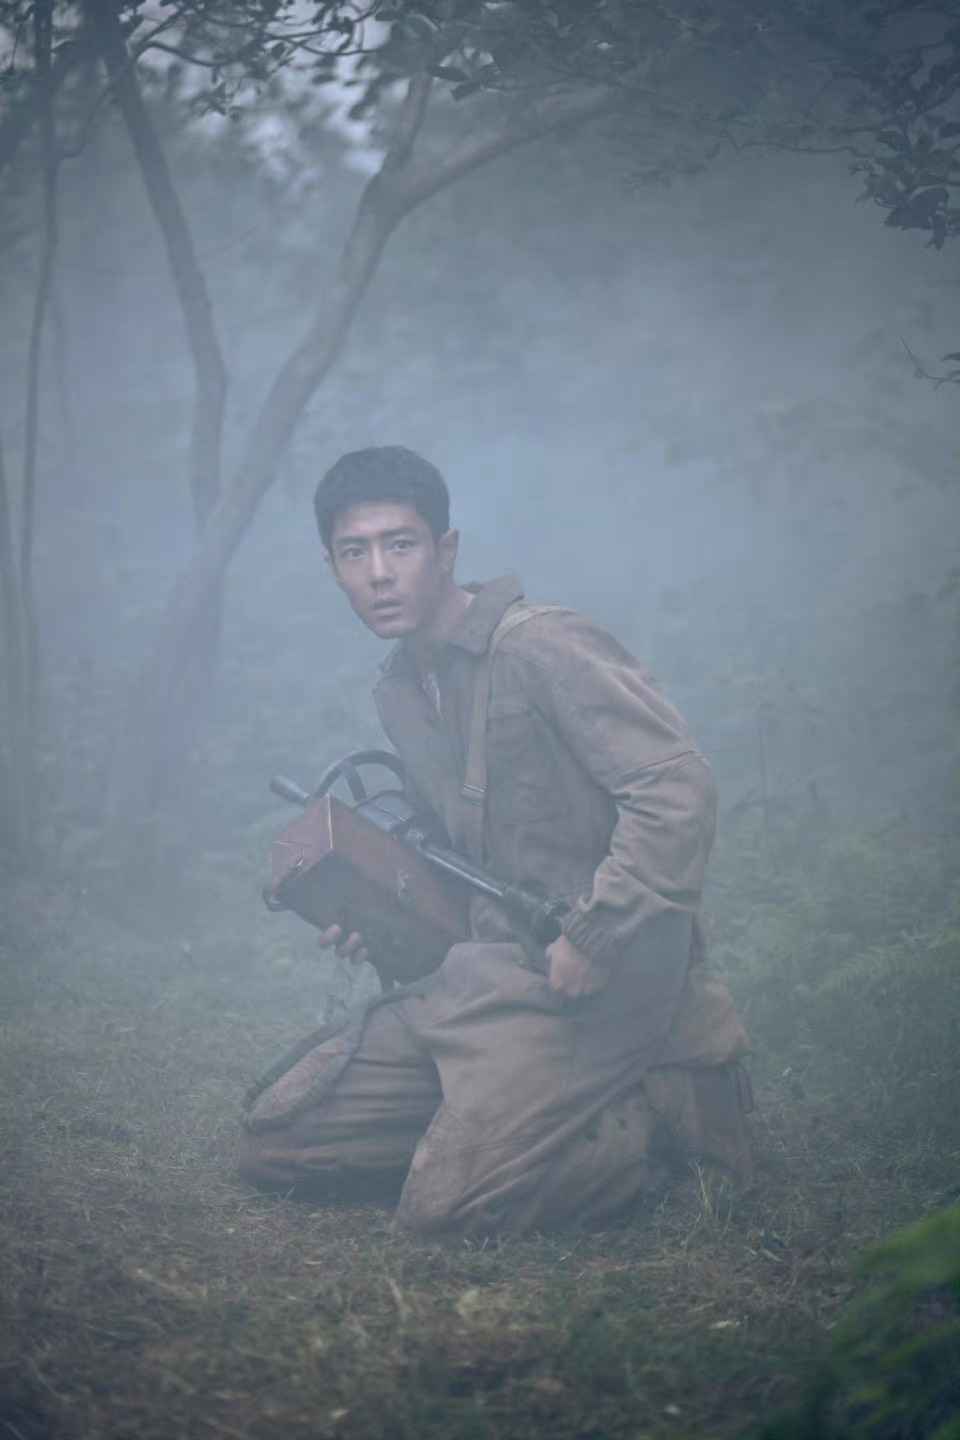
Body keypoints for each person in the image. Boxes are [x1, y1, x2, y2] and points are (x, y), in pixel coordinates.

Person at [239, 446, 752, 1238]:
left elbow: (676, 788)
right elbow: (456, 861)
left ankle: (655, 1118)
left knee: (446, 1216)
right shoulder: (400, 690)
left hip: (603, 981)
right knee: (281, 1146)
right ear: (333, 569)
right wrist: (382, 915)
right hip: (490, 978)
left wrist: (598, 931)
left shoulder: (543, 647)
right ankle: (504, 1125)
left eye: (401, 545)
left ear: (445, 550)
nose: (380, 573)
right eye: (355, 552)